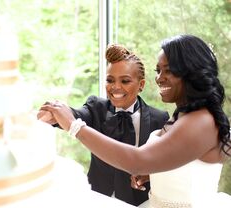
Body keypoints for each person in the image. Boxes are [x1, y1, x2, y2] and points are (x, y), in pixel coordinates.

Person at [39, 34, 231, 207]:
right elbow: (185, 159)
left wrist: (74, 126)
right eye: (158, 71)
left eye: (168, 71)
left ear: (191, 71)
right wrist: (158, 175)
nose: (159, 78)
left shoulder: (201, 121)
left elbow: (138, 161)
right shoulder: (184, 114)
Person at [38, 44, 169, 206]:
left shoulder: (159, 118)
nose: (115, 87)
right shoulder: (95, 107)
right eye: (110, 80)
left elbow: (163, 163)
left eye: (125, 81)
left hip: (137, 203)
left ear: (141, 85)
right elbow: (77, 115)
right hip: (98, 199)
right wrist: (55, 116)